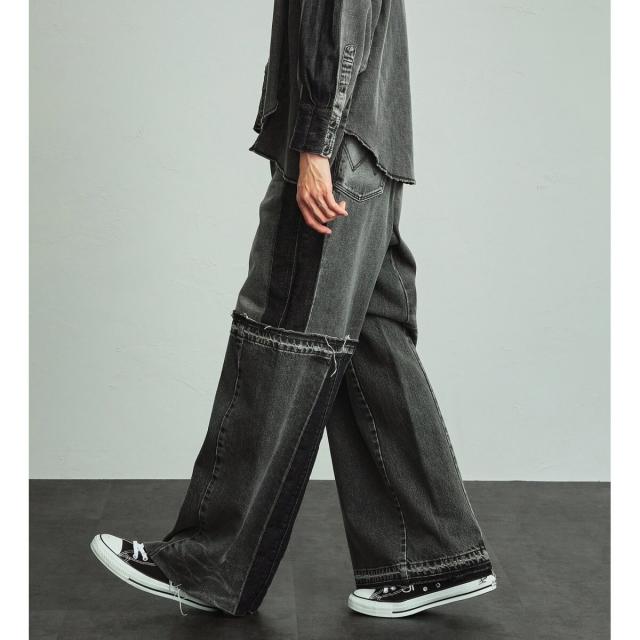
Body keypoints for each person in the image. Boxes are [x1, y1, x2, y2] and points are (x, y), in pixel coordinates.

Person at [90, 0, 496, 619]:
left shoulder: (322, 150)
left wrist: (314, 147)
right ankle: (432, 557)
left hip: (336, 159)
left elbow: (336, 26)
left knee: (280, 343)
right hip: (370, 156)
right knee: (372, 343)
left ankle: (206, 563)